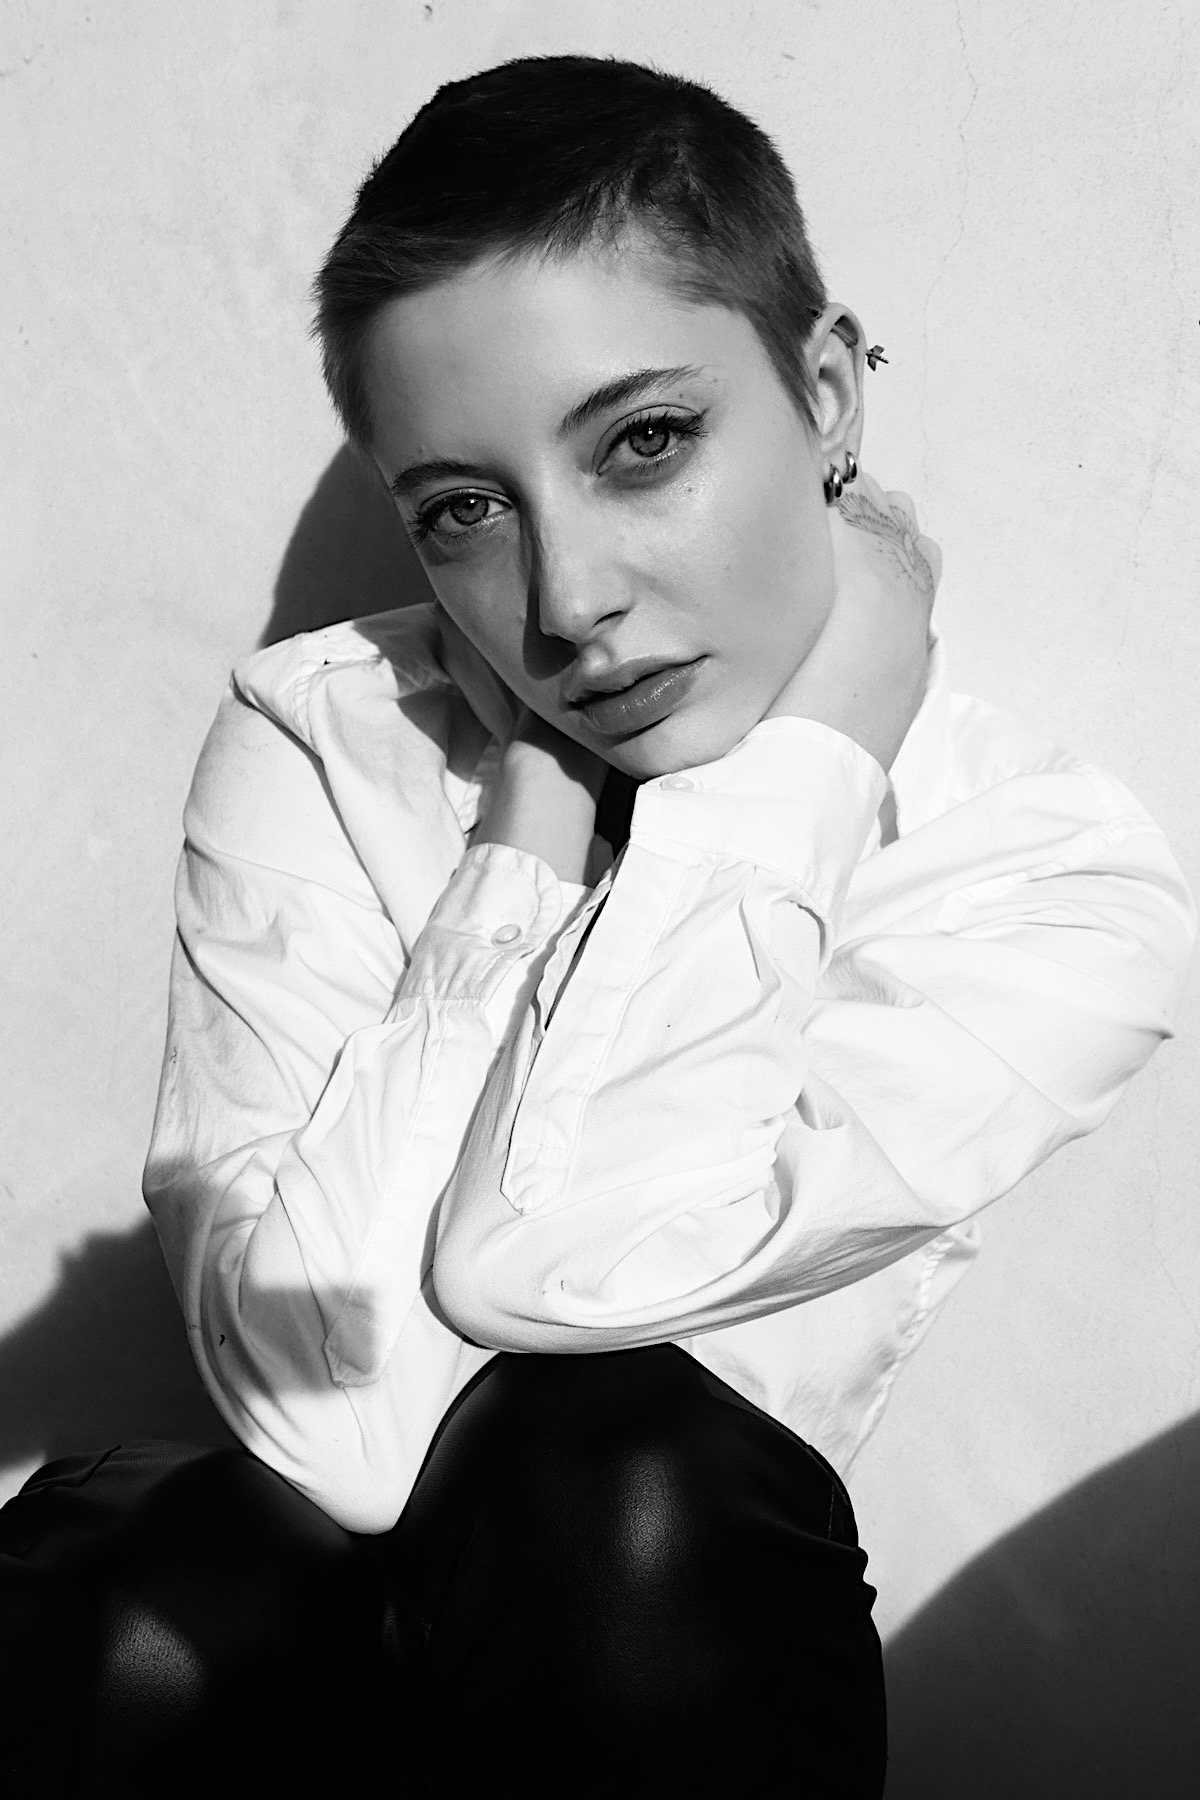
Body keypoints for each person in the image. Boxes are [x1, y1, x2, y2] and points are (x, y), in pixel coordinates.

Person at [1, 53, 1193, 1799]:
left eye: (644, 443)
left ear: (829, 394)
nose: (565, 606)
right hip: (272, 1660)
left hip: (656, 1653)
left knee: (624, 1486)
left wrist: (799, 775)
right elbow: (335, 1425)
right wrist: (529, 825)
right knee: (156, 1608)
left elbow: (534, 1287)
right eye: (463, 513)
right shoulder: (322, 734)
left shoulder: (1042, 876)